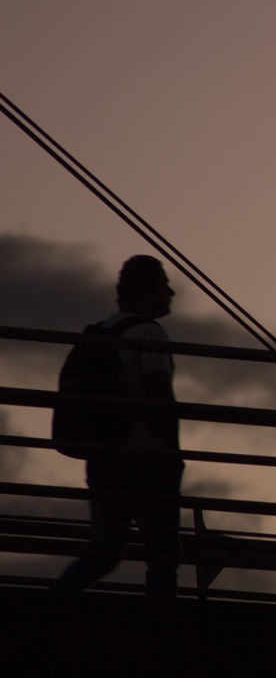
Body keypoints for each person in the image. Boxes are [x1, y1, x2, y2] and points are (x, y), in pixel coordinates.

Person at [54, 255, 184, 599]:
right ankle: (160, 628)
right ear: (145, 290)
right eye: (163, 283)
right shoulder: (149, 333)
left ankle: (53, 603)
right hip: (147, 459)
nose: (170, 292)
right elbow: (159, 396)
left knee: (106, 550)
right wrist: (174, 453)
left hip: (105, 458)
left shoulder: (101, 333)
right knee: (162, 553)